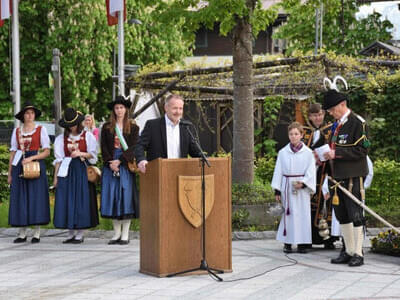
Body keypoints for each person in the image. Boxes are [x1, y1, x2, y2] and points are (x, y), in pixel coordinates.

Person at [323, 87, 370, 267]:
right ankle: (348, 250)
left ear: (343, 104)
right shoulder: (335, 126)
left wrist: (337, 153)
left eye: (333, 110)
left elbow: (363, 149)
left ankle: (358, 252)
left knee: (356, 214)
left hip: (352, 176)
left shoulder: (358, 123)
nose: (331, 113)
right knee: (342, 215)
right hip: (336, 177)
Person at [53, 108, 99, 243]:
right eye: (68, 126)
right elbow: (58, 160)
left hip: (80, 170)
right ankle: (70, 232)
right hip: (66, 170)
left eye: (73, 125)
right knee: (67, 199)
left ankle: (80, 232)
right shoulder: (61, 138)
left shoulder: (87, 136)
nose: (71, 128)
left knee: (80, 199)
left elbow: (93, 155)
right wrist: (55, 178)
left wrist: (80, 153)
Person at [8, 102, 51, 243]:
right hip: (19, 164)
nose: (30, 115)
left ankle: (37, 232)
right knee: (20, 197)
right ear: (23, 116)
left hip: (35, 165)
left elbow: (47, 151)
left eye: (32, 113)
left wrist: (32, 158)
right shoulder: (17, 131)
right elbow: (13, 152)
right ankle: (22, 232)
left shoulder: (41, 129)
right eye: (27, 113)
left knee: (36, 196)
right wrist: (9, 173)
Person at [272, 122, 316, 254]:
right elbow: (278, 171)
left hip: (301, 187)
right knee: (289, 214)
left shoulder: (308, 153)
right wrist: (277, 189)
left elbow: (311, 171)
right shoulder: (283, 152)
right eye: (291, 134)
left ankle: (303, 243)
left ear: (302, 135)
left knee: (302, 214)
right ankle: (288, 242)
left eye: (296, 134)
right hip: (287, 186)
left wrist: (303, 183)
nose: (293, 136)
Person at [100, 96, 139, 245]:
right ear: (113, 110)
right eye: (116, 108)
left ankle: (125, 234)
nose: (119, 110)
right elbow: (103, 146)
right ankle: (116, 233)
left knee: (125, 197)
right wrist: (110, 162)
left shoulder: (134, 128)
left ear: (126, 109)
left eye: (121, 107)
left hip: (124, 164)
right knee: (112, 198)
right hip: (110, 165)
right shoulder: (106, 127)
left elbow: (134, 147)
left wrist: (120, 161)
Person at [135, 94, 202, 173]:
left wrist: (205, 160)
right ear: (166, 108)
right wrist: (141, 160)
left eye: (181, 108)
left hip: (181, 174)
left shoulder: (187, 127)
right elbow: (139, 145)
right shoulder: (152, 125)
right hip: (158, 174)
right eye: (175, 108)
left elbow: (195, 152)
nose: (178, 112)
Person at [303, 103, 337, 249]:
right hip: (309, 173)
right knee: (309, 205)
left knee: (327, 204)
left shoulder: (331, 129)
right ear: (310, 117)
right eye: (315, 115)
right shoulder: (303, 132)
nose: (318, 118)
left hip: (326, 172)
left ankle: (328, 238)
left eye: (320, 114)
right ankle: (308, 238)